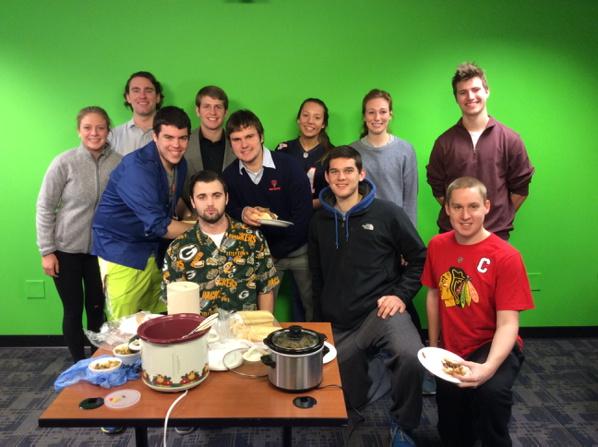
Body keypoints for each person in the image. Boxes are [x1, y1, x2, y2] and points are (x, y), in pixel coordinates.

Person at [308, 146, 426, 446]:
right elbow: (317, 274)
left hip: (382, 311)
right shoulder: (318, 221)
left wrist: (400, 295)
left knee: (411, 357)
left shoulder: (388, 213)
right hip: (340, 319)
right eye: (334, 171)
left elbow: (419, 258)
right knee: (343, 398)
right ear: (327, 177)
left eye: (348, 170)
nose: (341, 177)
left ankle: (402, 424)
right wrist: (321, 322)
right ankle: (372, 381)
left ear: (361, 174)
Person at [421, 176, 534, 446]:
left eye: (473, 206)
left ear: (486, 206)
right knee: (451, 424)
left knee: (490, 395)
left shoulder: (506, 256)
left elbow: (508, 324)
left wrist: (488, 368)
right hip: (453, 346)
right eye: (457, 207)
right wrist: (435, 343)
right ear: (446, 209)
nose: (465, 215)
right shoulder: (437, 245)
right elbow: (434, 295)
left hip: (491, 345)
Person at [36, 106, 121, 363]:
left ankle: (98, 362)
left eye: (100, 127)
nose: (94, 133)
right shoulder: (64, 162)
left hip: (101, 252)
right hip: (65, 251)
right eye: (87, 127)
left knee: (97, 309)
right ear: (79, 131)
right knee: (73, 311)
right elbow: (45, 206)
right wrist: (47, 251)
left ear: (108, 131)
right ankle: (77, 362)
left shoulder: (119, 163)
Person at [92, 106, 194, 321]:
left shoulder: (180, 163)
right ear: (155, 136)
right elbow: (161, 225)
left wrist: (196, 214)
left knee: (155, 321)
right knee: (122, 329)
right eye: (168, 137)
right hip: (122, 252)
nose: (176, 145)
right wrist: (205, 229)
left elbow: (170, 202)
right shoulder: (136, 167)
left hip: (154, 251)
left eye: (182, 138)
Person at [221, 110, 314, 320]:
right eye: (236, 139)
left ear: (261, 136)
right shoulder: (229, 175)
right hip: (262, 257)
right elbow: (230, 209)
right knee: (261, 316)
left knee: (312, 306)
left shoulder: (289, 165)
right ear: (230, 143)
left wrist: (277, 251)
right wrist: (242, 212)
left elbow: (304, 213)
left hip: (301, 251)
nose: (244, 145)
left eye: (249, 137)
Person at [426, 62, 535, 240]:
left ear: (487, 91)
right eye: (463, 92)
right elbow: (438, 190)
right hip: (453, 236)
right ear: (456, 98)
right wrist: (463, 219)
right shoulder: (443, 143)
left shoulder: (510, 139)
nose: (470, 96)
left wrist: (493, 218)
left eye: (476, 89)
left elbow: (521, 190)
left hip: (496, 236)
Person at [163, 170, 279, 315]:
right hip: (201, 334)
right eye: (202, 197)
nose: (210, 203)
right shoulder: (177, 248)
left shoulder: (253, 238)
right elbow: (175, 305)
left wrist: (264, 329)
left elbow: (266, 290)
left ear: (226, 198)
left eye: (216, 196)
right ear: (193, 202)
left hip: (245, 332)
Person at [351, 89, 418, 225]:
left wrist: (409, 233)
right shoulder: (352, 151)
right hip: (360, 225)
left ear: (390, 115)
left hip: (395, 226)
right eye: (371, 112)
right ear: (364, 116)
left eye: (383, 112)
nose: (377, 118)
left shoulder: (406, 150)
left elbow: (410, 199)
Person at [276, 97, 334, 209]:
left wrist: (306, 205)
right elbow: (274, 185)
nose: (310, 121)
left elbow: (335, 191)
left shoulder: (332, 153)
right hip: (286, 216)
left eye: (317, 117)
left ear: (323, 124)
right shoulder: (283, 149)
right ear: (298, 119)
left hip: (319, 218)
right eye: (305, 115)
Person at [109, 71, 163, 156]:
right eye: (136, 91)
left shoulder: (173, 136)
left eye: (148, 90)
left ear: (157, 97)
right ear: (128, 97)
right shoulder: (112, 136)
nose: (142, 96)